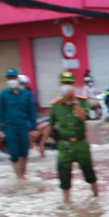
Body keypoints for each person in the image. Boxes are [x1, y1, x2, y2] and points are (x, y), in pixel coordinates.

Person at [37, 70, 98, 202]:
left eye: (69, 83)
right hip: (64, 145)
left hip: (81, 144)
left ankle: (96, 197)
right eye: (64, 83)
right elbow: (51, 125)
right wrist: (42, 142)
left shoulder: (82, 102)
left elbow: (84, 117)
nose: (67, 86)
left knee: (89, 172)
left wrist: (74, 102)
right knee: (63, 174)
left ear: (74, 85)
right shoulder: (56, 105)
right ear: (60, 85)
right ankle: (67, 203)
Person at [0, 67, 38, 180]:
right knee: (14, 154)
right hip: (10, 128)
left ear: (17, 79)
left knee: (24, 153)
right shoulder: (3, 95)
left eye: (13, 78)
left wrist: (34, 128)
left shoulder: (26, 94)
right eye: (9, 78)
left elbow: (32, 112)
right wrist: (0, 129)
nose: (11, 80)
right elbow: (1, 112)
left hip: (23, 127)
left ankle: (22, 175)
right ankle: (20, 177)